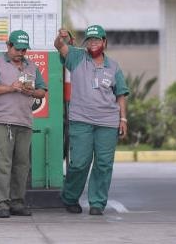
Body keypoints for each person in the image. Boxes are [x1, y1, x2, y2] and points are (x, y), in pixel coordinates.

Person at [54, 25, 129, 216]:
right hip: (81, 120)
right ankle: (70, 198)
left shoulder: (113, 66)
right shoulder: (77, 57)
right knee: (79, 163)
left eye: (97, 39)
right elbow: (58, 45)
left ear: (104, 42)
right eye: (90, 39)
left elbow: (120, 94)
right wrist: (61, 37)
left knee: (103, 164)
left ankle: (97, 202)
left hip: (108, 122)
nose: (93, 42)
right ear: (86, 43)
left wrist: (123, 118)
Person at [0, 30, 47, 218]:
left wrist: (32, 92)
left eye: (24, 49)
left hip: (25, 122)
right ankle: (1, 204)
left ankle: (17, 203)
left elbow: (42, 91)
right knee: (2, 164)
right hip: (3, 122)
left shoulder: (31, 67)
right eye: (17, 48)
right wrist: (11, 88)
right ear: (8, 46)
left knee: (22, 165)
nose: (20, 53)